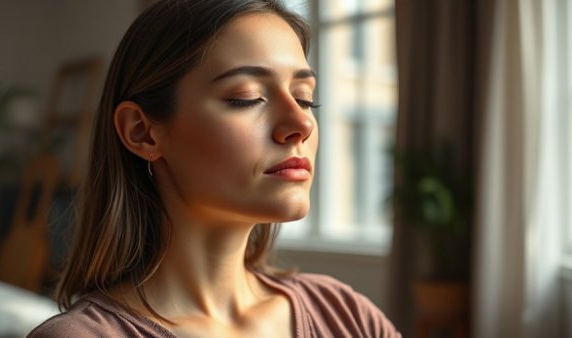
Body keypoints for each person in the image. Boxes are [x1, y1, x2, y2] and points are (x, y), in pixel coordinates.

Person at [29, 0, 401, 337]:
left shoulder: (347, 315)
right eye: (247, 98)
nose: (300, 124)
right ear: (142, 131)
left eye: (305, 99)